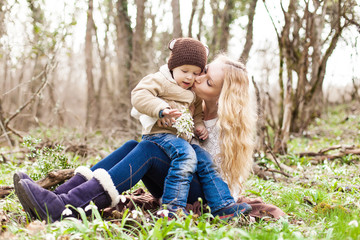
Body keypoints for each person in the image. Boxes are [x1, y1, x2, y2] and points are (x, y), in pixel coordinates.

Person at [13, 53, 257, 223]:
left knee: (149, 150)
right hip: (174, 177)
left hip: (198, 195)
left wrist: (225, 205)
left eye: (208, 81)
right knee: (134, 145)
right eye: (203, 72)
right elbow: (138, 109)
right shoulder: (189, 101)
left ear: (222, 96)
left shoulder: (223, 127)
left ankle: (69, 209)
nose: (197, 78)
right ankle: (60, 196)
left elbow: (222, 181)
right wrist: (159, 115)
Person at [131, 37, 209, 214]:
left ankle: (221, 202)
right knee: (185, 155)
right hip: (159, 135)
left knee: (199, 157)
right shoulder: (161, 80)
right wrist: (160, 108)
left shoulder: (193, 93)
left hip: (178, 139)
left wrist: (199, 125)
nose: (190, 77)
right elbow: (139, 95)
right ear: (172, 66)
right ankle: (172, 208)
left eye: (196, 73)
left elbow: (197, 112)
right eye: (185, 70)